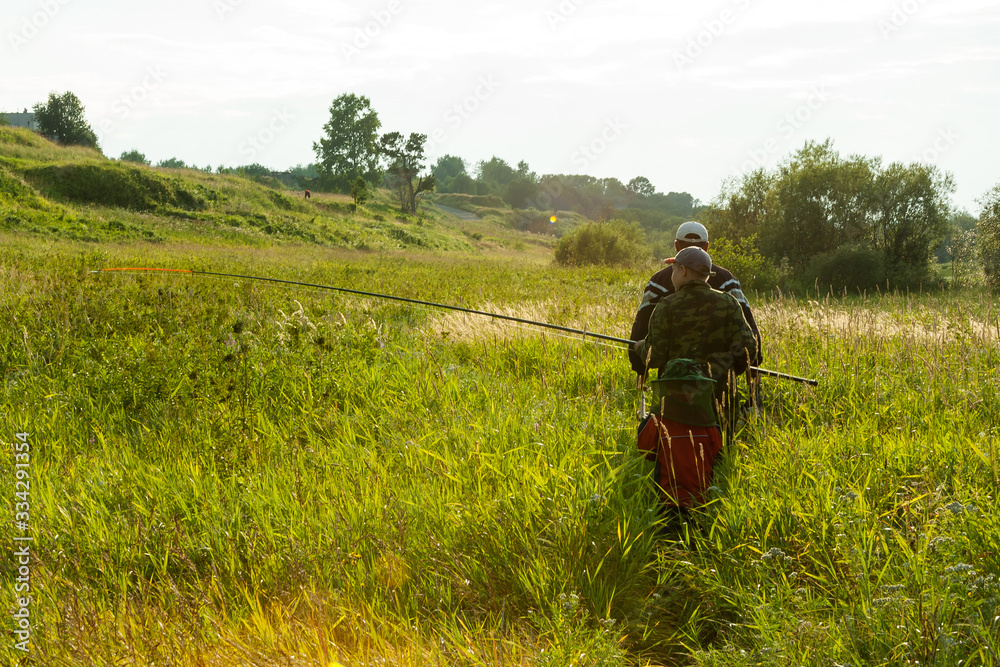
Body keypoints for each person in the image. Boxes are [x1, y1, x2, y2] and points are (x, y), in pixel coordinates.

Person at [632, 246, 757, 435]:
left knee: (678, 458)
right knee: (721, 458)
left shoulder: (666, 306)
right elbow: (749, 351)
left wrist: (641, 348)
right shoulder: (729, 303)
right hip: (721, 404)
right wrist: (725, 372)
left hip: (677, 404)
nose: (672, 276)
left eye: (673, 270)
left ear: (682, 271)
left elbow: (654, 357)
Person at [628, 221, 762, 376]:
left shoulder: (661, 292)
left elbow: (648, 338)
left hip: (674, 389)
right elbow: (748, 346)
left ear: (676, 246)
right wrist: (730, 371)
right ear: (706, 247)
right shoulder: (728, 286)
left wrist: (640, 356)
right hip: (718, 388)